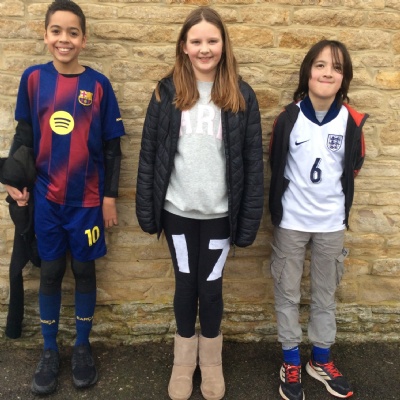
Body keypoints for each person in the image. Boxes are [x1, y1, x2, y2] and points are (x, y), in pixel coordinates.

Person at [136, 6, 264, 400]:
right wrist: (147, 211)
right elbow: (149, 154)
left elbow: (252, 163)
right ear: (184, 46)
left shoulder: (241, 95)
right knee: (185, 286)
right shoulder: (166, 93)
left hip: (219, 218)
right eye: (196, 41)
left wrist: (247, 223)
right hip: (177, 214)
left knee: (210, 289)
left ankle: (210, 362)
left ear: (223, 45)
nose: (204, 48)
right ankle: (182, 362)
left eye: (212, 40)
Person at [5, 0, 125, 395]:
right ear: (45, 35)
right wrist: (13, 180)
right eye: (56, 31)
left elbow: (112, 149)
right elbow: (24, 135)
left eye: (73, 32)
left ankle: (83, 347)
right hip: (47, 201)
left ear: (84, 39)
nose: (64, 39)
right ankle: (50, 350)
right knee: (51, 272)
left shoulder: (99, 85)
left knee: (85, 272)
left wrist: (109, 198)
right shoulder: (33, 79)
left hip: (87, 203)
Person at [269, 40, 368, 400]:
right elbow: (275, 162)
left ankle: (321, 359)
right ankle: (291, 360)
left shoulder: (352, 120)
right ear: (308, 72)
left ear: (344, 78)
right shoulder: (288, 118)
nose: (328, 73)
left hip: (331, 223)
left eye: (337, 68)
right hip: (292, 222)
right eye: (321, 65)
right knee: (287, 292)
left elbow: (353, 166)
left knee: (325, 294)